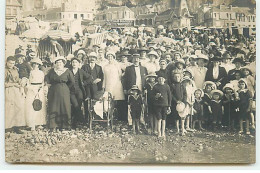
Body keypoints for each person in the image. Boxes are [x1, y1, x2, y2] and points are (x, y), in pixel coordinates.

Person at [45, 56, 75, 130]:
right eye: (57, 62)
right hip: (54, 91)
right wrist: (47, 84)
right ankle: (53, 125)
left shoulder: (67, 71)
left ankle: (65, 125)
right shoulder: (52, 71)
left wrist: (66, 87)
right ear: (55, 63)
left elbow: (72, 82)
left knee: (65, 107)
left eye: (60, 62)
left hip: (64, 90)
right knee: (54, 106)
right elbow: (47, 78)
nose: (59, 64)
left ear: (63, 63)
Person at [5, 56, 27, 134]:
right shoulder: (4, 70)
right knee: (9, 108)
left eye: (13, 63)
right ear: (6, 62)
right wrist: (14, 84)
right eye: (10, 63)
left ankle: (17, 126)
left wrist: (21, 82)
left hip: (16, 90)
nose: (11, 65)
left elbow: (17, 80)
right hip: (8, 90)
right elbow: (4, 84)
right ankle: (7, 127)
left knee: (18, 107)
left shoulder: (15, 70)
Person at [70, 57, 92, 128]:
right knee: (75, 105)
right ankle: (82, 120)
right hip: (71, 92)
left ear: (79, 64)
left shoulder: (81, 71)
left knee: (78, 105)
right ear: (71, 63)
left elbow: (90, 77)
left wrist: (84, 83)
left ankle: (74, 122)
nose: (74, 64)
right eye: (73, 62)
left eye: (76, 62)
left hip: (79, 91)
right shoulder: (68, 71)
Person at [102, 51, 126, 121]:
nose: (110, 58)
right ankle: (109, 117)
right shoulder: (105, 66)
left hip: (116, 84)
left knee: (117, 100)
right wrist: (103, 86)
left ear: (113, 57)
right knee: (109, 101)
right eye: (108, 57)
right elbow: (104, 77)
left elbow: (121, 75)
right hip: (108, 85)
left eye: (111, 57)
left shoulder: (117, 65)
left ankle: (120, 118)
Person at [25, 58, 47, 131]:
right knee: (31, 106)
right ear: (32, 65)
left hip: (39, 89)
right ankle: (32, 124)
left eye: (37, 64)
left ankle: (39, 123)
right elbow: (28, 82)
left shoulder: (41, 72)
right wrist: (32, 89)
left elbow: (43, 82)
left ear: (39, 65)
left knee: (40, 105)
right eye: (34, 64)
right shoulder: (30, 72)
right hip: (32, 89)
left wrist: (41, 87)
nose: (35, 65)